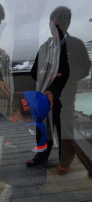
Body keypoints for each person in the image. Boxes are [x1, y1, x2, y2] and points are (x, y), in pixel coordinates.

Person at [29, 6, 91, 174]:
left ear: (68, 23)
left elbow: (85, 69)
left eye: (60, 25)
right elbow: (34, 71)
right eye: (53, 24)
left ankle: (65, 161)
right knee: (43, 128)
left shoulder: (76, 44)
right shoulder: (44, 46)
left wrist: (64, 75)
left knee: (65, 128)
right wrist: (41, 73)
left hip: (65, 96)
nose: (56, 28)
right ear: (49, 24)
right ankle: (41, 156)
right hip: (43, 97)